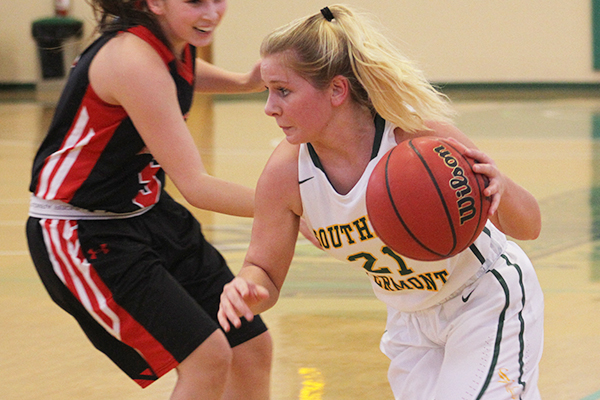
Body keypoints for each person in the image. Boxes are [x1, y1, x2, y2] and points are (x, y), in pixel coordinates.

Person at [218, 5, 544, 399]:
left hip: (483, 299)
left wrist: (499, 185)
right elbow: (263, 271)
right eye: (268, 91)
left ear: (337, 90)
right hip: (408, 323)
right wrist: (248, 289)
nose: (269, 107)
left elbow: (530, 227)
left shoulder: (418, 141)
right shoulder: (285, 176)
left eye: (283, 90)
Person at [25, 0, 272, 399]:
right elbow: (197, 186)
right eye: (195, 1)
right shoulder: (131, 60)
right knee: (207, 357)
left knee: (249, 346)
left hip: (148, 211)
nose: (211, 11)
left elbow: (182, 73)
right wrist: (296, 209)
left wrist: (244, 81)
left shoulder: (171, 42)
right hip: (82, 230)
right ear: (155, 2)